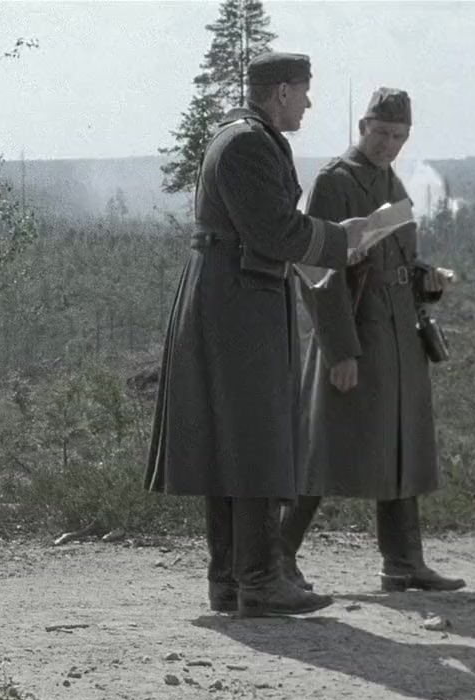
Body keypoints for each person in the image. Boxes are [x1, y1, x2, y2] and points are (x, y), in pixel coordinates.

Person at [145, 51, 372, 618]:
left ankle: (233, 580)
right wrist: (341, 239)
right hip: (240, 302)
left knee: (236, 440)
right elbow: (274, 230)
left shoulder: (242, 136)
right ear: (282, 92)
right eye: (303, 91)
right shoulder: (248, 142)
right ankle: (259, 580)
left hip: (237, 295)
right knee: (254, 439)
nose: (308, 103)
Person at [282, 87, 465, 594]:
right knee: (324, 448)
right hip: (356, 331)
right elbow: (317, 271)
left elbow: (399, 259)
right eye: (381, 132)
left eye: (399, 136)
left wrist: (427, 278)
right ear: (363, 127)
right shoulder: (335, 182)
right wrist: (340, 350)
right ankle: (276, 556)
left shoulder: (391, 180)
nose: (389, 144)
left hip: (399, 334)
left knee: (403, 443)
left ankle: (404, 562)